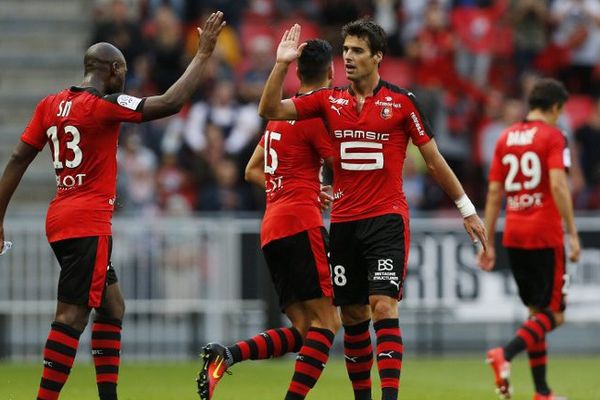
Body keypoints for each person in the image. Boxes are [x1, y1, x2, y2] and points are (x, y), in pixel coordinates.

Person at [0, 11, 225, 400]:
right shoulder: (103, 104)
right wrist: (202, 54)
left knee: (112, 306)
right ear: (115, 69)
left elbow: (18, 159)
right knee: (71, 315)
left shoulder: (50, 105)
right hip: (87, 222)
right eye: (123, 72)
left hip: (60, 216)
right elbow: (170, 102)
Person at [259, 21, 487, 400]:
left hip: (386, 220)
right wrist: (281, 65)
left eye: (357, 51)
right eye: (345, 50)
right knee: (352, 317)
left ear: (377, 57)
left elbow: (433, 160)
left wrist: (466, 209)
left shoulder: (401, 102)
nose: (347, 57)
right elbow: (269, 109)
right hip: (345, 224)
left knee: (383, 305)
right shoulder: (328, 101)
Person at [196, 39, 341, 400]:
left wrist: (299, 185)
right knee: (328, 324)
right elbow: (342, 164)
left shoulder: (279, 119)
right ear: (331, 72)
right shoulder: (310, 114)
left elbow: (251, 170)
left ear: (297, 72)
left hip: (273, 228)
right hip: (300, 224)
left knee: (306, 330)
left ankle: (227, 355)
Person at [477, 78, 580, 400]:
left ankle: (542, 392)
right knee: (555, 314)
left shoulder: (505, 137)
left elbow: (494, 192)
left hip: (514, 233)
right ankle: (504, 354)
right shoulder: (553, 135)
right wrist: (573, 234)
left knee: (535, 314)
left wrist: (489, 241)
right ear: (555, 108)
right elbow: (560, 186)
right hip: (544, 233)